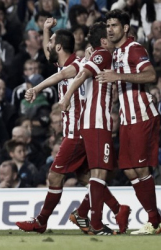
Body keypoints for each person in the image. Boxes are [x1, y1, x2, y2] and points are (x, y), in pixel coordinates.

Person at [16, 21, 130, 235]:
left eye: (50, 42)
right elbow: (52, 59)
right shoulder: (65, 63)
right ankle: (117, 209)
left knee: (55, 176)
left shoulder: (77, 64)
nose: (47, 46)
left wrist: (38, 89)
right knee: (87, 178)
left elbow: (62, 75)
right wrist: (47, 30)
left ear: (59, 47)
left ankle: (41, 221)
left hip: (77, 131)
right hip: (81, 129)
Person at [97, 9, 161, 235]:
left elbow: (151, 75)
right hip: (127, 117)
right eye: (108, 26)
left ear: (125, 28)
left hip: (142, 115)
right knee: (129, 169)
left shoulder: (134, 49)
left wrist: (119, 77)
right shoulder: (117, 52)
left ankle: (154, 222)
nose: (110, 29)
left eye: (114, 25)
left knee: (140, 167)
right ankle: (155, 219)